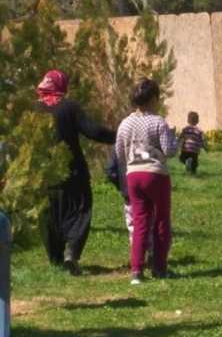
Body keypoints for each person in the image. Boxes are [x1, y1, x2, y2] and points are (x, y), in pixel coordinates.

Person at [36, 69, 116, 275]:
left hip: (42, 174)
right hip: (73, 171)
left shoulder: (33, 109)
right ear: (62, 85)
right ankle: (71, 252)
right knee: (80, 209)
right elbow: (93, 131)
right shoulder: (69, 107)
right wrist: (119, 135)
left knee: (49, 215)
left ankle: (55, 259)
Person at [115, 79, 177, 285]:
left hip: (133, 175)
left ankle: (136, 271)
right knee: (161, 220)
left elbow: (119, 153)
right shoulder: (158, 122)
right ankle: (159, 267)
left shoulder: (125, 123)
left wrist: (130, 165)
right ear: (153, 99)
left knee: (140, 221)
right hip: (155, 174)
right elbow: (169, 151)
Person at [105, 149, 153, 260]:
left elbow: (110, 171)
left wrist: (121, 185)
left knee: (133, 225)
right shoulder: (146, 146)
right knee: (149, 222)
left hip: (128, 193)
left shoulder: (118, 148)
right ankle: (152, 252)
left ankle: (136, 254)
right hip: (147, 190)